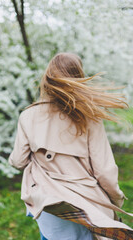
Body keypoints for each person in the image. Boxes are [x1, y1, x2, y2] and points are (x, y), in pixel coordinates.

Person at [8, 52, 133, 240]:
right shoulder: (89, 116)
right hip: (87, 207)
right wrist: (115, 199)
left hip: (51, 205)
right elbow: (104, 170)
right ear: (78, 78)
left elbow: (18, 161)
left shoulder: (28, 116)